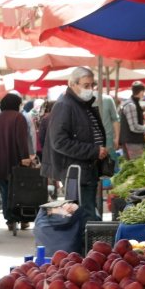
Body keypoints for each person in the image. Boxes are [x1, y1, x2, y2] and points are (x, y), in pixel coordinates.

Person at [41, 67, 107, 221]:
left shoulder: (83, 105)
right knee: (86, 213)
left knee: (87, 210)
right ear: (72, 84)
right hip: (76, 171)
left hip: (87, 169)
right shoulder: (65, 105)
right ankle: (90, 244)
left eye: (92, 85)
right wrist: (93, 150)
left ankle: (90, 243)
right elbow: (59, 142)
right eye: (86, 85)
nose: (90, 89)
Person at [0, 93, 33, 231]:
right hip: (16, 160)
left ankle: (9, 220)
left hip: (0, 161)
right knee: (20, 191)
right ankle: (22, 219)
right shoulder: (18, 117)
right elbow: (21, 139)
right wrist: (25, 157)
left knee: (5, 191)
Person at [119, 81, 145, 160]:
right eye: (143, 92)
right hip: (132, 142)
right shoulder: (131, 105)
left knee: (135, 166)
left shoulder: (133, 103)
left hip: (132, 142)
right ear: (141, 91)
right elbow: (134, 127)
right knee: (135, 166)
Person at [100, 93, 120, 159]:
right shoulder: (83, 99)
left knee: (109, 165)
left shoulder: (107, 99)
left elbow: (115, 119)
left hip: (108, 142)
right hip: (90, 144)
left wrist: (117, 138)